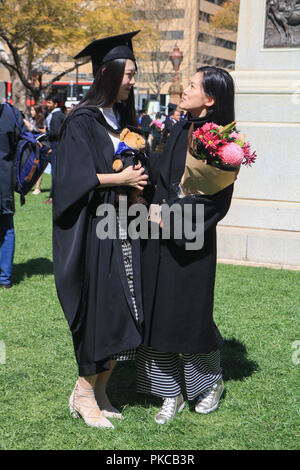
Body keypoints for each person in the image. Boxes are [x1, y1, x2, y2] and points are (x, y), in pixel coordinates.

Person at [53, 31, 148, 429]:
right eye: (128, 73)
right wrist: (120, 178)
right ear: (108, 74)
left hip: (126, 229)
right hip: (96, 231)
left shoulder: (123, 120)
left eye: (134, 73)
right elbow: (70, 180)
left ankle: (102, 390)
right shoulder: (82, 121)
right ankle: (83, 393)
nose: (133, 80)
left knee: (124, 311)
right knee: (98, 310)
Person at [136, 66, 235, 424]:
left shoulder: (223, 142)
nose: (184, 88)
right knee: (157, 315)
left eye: (192, 85)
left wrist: (173, 217)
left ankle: (209, 384)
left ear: (210, 98)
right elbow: (162, 177)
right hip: (156, 236)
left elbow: (215, 198)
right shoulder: (177, 128)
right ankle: (169, 391)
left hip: (190, 242)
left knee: (189, 317)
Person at [0, 102, 26, 288]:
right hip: (5, 180)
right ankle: (4, 278)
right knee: (6, 226)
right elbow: (23, 139)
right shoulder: (10, 112)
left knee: (7, 227)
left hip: (5, 180)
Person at [43, 96, 65, 204]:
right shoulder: (57, 114)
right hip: (57, 146)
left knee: (55, 172)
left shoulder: (56, 116)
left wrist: (44, 133)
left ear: (55, 104)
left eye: (50, 102)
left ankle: (53, 197)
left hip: (56, 146)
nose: (47, 105)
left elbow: (55, 132)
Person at [24, 104, 47, 195]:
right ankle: (29, 184)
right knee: (31, 165)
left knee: (38, 165)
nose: (31, 112)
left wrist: (31, 127)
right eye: (31, 110)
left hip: (40, 145)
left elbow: (45, 132)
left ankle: (38, 187)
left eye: (33, 110)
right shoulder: (30, 119)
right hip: (32, 145)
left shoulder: (42, 120)